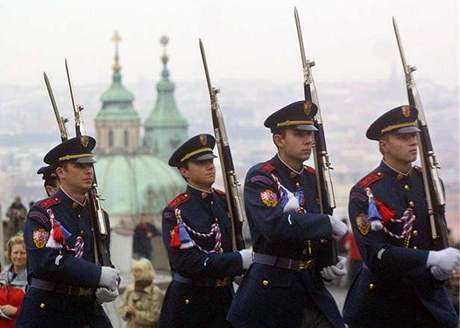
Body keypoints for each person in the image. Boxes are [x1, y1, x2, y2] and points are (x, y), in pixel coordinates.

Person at [228, 100, 348, 328]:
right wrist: (326, 223)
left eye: (310, 134)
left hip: (310, 286)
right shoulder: (261, 177)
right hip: (273, 288)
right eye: (299, 134)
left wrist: (327, 261)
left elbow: (312, 232)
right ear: (279, 140)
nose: (309, 140)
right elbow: (274, 226)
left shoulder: (313, 178)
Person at [342, 105, 460, 328]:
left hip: (428, 300)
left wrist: (439, 269)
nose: (413, 142)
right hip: (384, 303)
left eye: (414, 135)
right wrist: (429, 259)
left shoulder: (430, 184)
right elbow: (375, 254)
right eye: (403, 137)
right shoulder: (366, 192)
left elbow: (436, 234)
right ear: (383, 145)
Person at [16, 136, 120, 328]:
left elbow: (103, 259)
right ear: (61, 172)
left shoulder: (98, 215)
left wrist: (112, 282)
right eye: (80, 166)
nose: (88, 171)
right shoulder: (43, 212)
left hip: (87, 310)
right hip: (49, 311)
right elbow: (44, 262)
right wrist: (97, 275)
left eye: (90, 165)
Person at [158, 134, 253, 328]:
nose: (210, 166)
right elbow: (187, 262)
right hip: (190, 303)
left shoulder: (225, 202)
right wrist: (238, 260)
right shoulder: (177, 211)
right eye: (201, 163)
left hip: (224, 299)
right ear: (184, 170)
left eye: (210, 161)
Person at [119, 258, 164, 327]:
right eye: (134, 271)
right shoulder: (130, 289)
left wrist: (136, 313)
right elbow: (121, 308)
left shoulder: (155, 291)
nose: (134, 274)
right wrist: (127, 310)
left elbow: (154, 317)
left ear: (146, 272)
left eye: (137, 271)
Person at [0, 233, 27, 327]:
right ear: (10, 254)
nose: (19, 256)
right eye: (15, 252)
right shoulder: (2, 276)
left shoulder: (33, 278)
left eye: (23, 253)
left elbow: (36, 307)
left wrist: (16, 310)